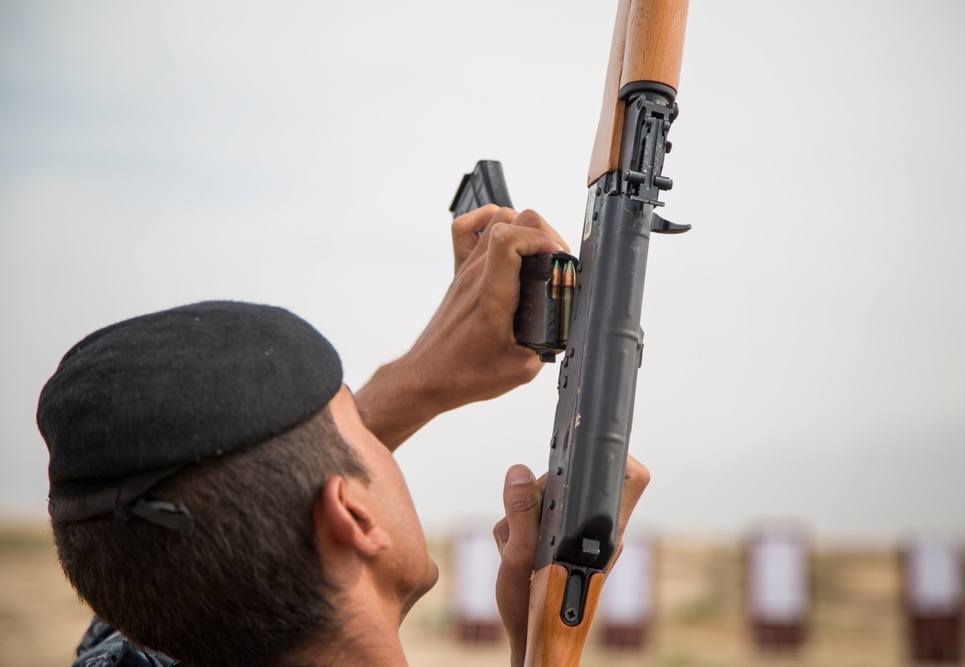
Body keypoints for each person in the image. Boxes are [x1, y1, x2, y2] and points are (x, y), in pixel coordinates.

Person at [37, 206, 650, 667]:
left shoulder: (143, 632)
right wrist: (545, 644)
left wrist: (417, 378)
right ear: (353, 517)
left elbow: (149, 589)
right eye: (360, 429)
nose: (380, 437)